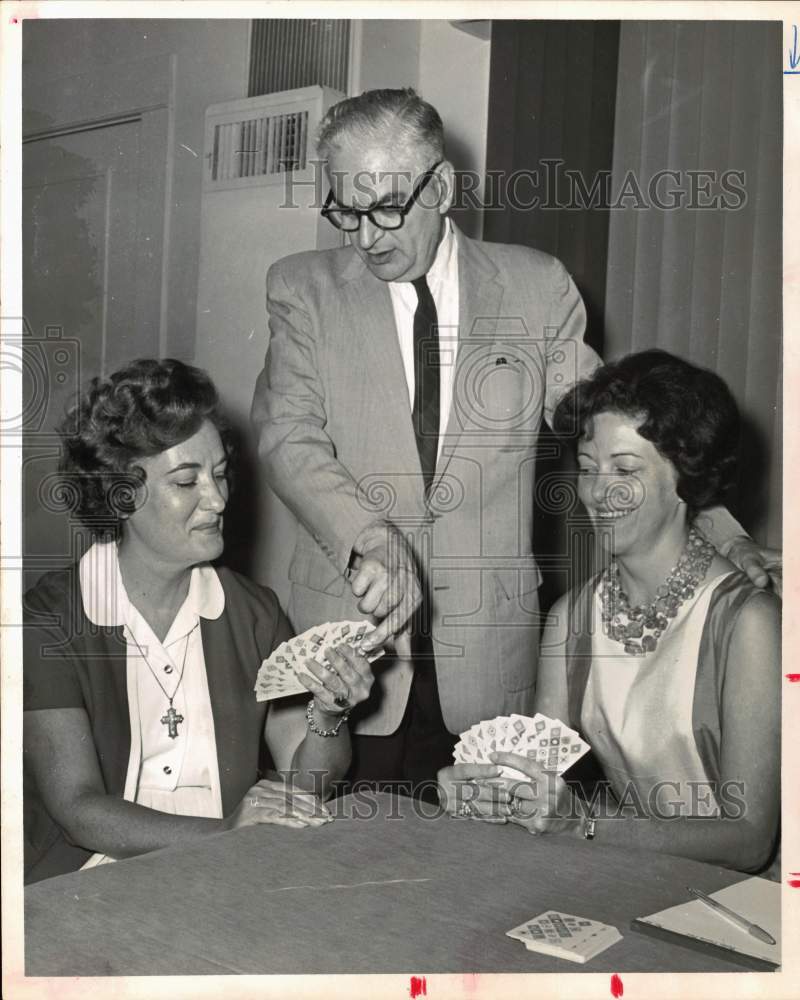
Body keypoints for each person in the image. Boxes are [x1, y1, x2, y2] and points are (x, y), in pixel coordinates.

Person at [251, 87, 779, 794]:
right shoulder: (303, 289)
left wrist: (719, 528)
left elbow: (620, 424)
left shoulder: (536, 287)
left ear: (440, 187)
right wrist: (369, 537)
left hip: (487, 660)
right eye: (345, 209)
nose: (365, 236)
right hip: (350, 656)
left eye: (385, 208)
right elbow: (289, 437)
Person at [23, 359, 375, 884]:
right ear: (121, 496)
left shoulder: (254, 612)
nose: (217, 499)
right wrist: (226, 831)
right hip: (85, 880)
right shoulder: (51, 619)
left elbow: (305, 789)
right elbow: (78, 808)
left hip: (224, 870)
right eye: (187, 482)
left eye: (219, 474)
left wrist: (328, 713)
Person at [438, 351, 780, 874]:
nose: (599, 492)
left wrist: (584, 825)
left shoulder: (748, 622)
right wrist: (488, 794)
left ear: (686, 480)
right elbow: (539, 787)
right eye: (587, 468)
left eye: (625, 468)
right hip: (630, 872)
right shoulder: (570, 619)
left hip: (749, 898)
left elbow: (750, 838)